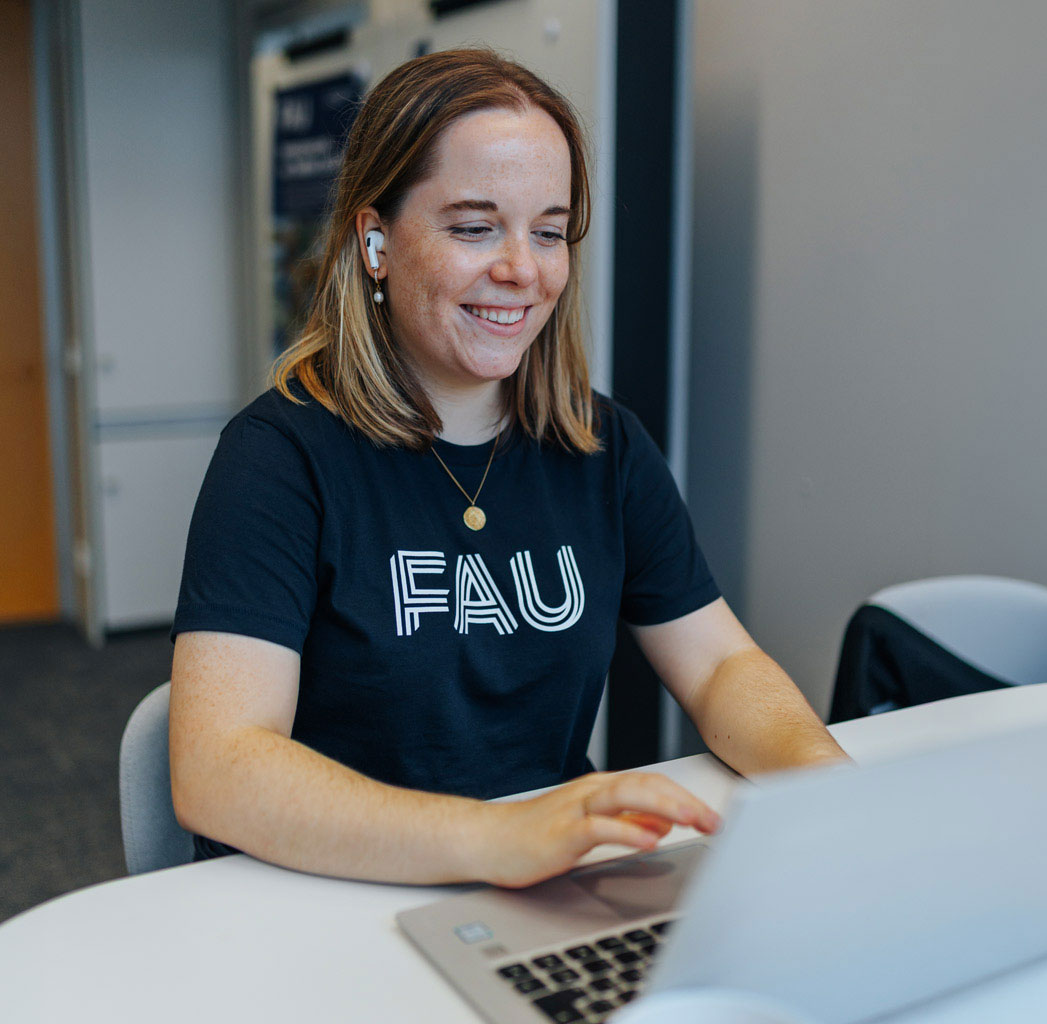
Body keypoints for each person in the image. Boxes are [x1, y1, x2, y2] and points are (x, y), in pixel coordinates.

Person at [168, 48, 848, 890]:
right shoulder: (278, 459)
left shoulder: (604, 444)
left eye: (550, 231)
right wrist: (492, 837)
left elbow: (718, 666)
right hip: (339, 892)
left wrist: (830, 782)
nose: (522, 270)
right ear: (375, 242)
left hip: (542, 884)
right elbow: (218, 766)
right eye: (474, 226)